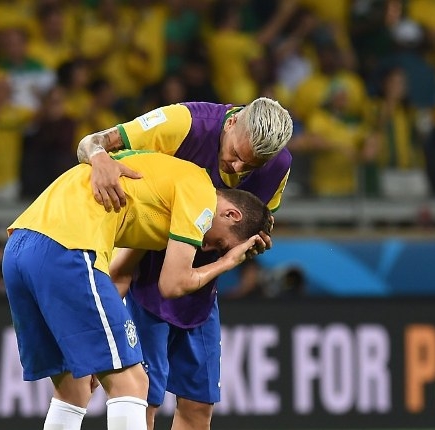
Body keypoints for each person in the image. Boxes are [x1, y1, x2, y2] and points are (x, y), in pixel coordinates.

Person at [2, 150, 270, 430]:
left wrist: (99, 340)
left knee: (72, 387)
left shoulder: (161, 190)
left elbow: (119, 274)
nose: (207, 247)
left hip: (20, 246)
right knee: (132, 382)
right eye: (221, 244)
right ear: (231, 214)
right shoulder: (200, 191)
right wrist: (227, 262)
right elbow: (173, 284)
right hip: (68, 246)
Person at [76, 96, 292, 430]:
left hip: (199, 290)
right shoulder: (183, 123)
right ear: (232, 122)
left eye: (250, 166)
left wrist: (249, 244)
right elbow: (91, 142)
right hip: (142, 268)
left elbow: (253, 225)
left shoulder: (278, 165)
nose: (237, 170)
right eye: (236, 155)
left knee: (198, 407)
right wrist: (99, 157)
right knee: (142, 402)